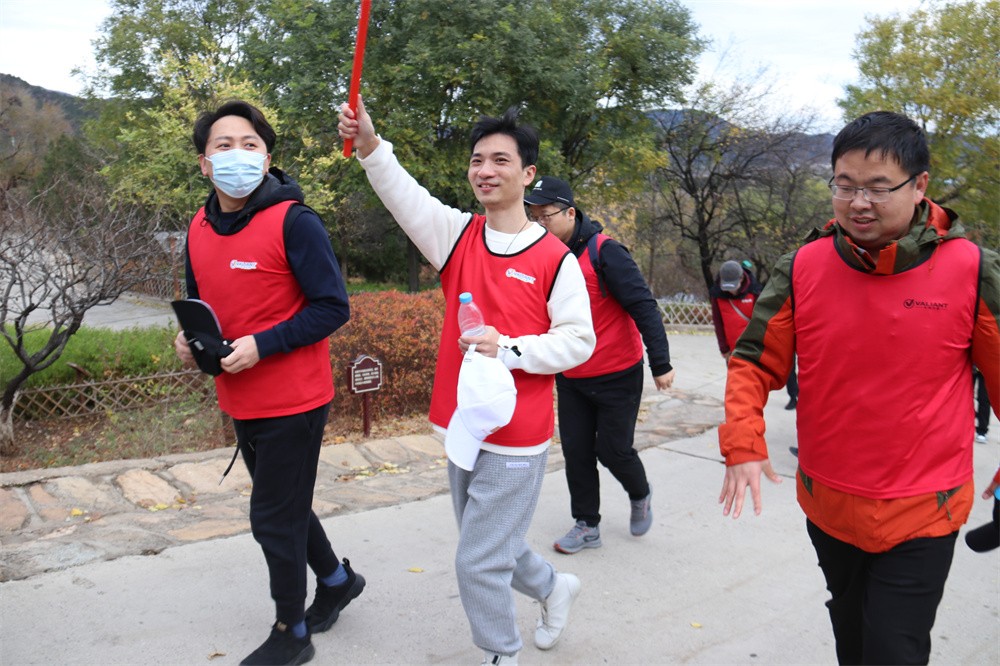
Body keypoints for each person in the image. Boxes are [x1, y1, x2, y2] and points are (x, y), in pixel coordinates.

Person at [717, 110, 1000, 665]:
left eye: (878, 188)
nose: (858, 203)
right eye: (844, 186)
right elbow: (751, 361)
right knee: (850, 635)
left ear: (919, 185)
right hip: (829, 502)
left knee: (894, 649)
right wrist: (743, 442)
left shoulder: (971, 269)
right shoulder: (804, 265)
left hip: (926, 507)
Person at [338, 99, 596, 665]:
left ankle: (501, 652)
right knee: (490, 543)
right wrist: (370, 144)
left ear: (527, 174)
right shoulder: (457, 235)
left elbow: (579, 341)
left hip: (518, 436)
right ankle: (554, 587)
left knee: (477, 560)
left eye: (500, 160)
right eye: (478, 160)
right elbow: (403, 194)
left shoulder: (555, 258)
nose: (485, 170)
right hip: (462, 427)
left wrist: (510, 348)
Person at [173, 101, 363, 666]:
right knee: (287, 504)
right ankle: (336, 582)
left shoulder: (294, 221)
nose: (238, 154)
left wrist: (263, 343)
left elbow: (332, 307)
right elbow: (202, 304)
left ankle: (291, 631)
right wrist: (190, 340)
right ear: (205, 163)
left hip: (294, 399)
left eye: (250, 144)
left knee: (273, 517)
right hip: (240, 395)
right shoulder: (198, 226)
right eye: (224, 145)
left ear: (266, 158)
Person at [523, 176, 675, 554]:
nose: (539, 224)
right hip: (571, 375)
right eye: (534, 217)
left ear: (570, 213)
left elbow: (643, 305)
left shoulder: (606, 252)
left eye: (546, 216)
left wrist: (660, 362)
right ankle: (587, 524)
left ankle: (639, 493)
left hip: (617, 373)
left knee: (612, 450)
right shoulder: (543, 256)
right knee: (576, 452)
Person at [974, 367, 990, 443]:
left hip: (986, 366)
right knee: (964, 396)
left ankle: (982, 431)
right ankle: (961, 428)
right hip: (970, 365)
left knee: (984, 399)